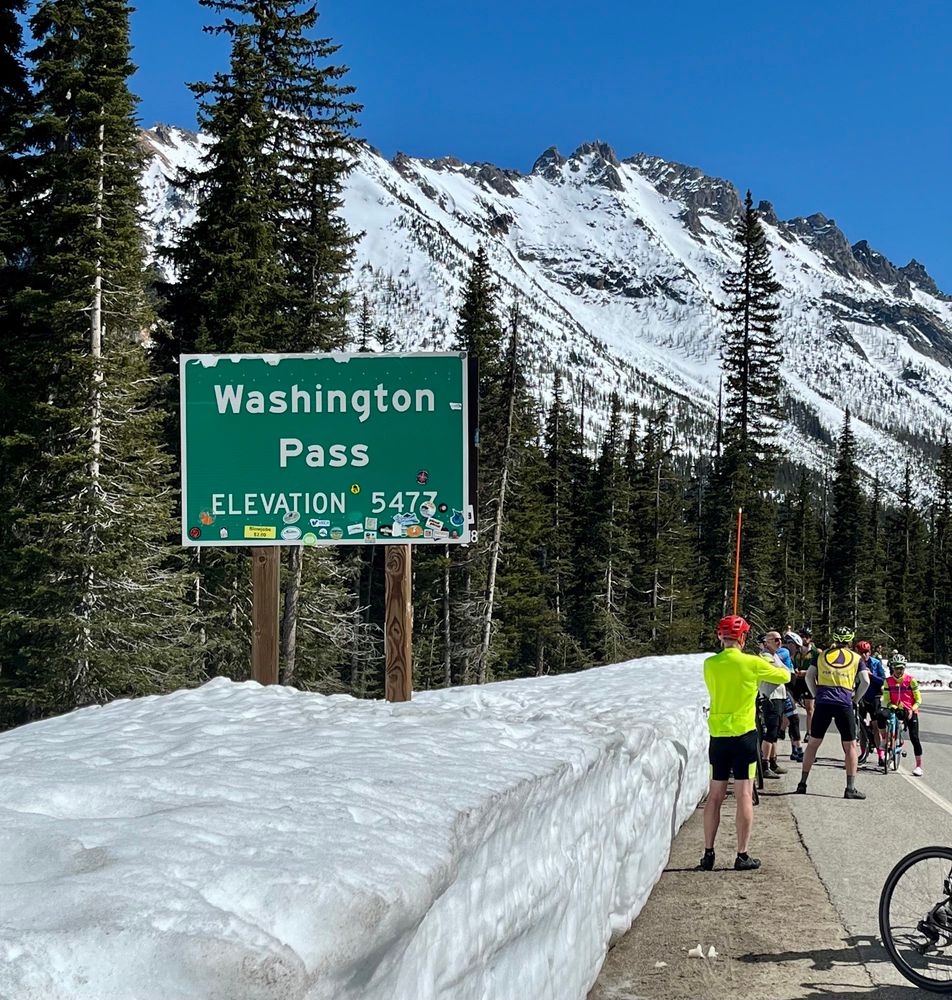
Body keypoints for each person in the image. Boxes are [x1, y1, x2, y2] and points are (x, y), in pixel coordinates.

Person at [699, 614, 790, 872]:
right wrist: (773, 656)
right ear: (743, 637)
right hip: (744, 735)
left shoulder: (710, 664)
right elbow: (784, 676)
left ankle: (708, 853)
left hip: (718, 735)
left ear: (720, 636)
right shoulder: (752, 662)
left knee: (715, 795)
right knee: (744, 795)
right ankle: (742, 855)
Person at [796, 626, 870, 800]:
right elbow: (865, 681)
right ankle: (850, 788)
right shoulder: (857, 658)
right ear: (850, 641)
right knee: (850, 746)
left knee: (813, 743)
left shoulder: (820, 655)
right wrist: (856, 699)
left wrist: (816, 694)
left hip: (823, 701)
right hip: (844, 702)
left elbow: (809, 677)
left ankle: (802, 783)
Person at [879, 653, 924, 776]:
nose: (899, 671)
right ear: (892, 668)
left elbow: (918, 699)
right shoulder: (888, 681)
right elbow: (886, 700)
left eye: (901, 668)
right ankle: (884, 739)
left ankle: (919, 766)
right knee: (880, 715)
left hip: (909, 710)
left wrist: (912, 708)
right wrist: (893, 706)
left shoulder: (911, 681)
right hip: (895, 708)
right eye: (896, 668)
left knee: (914, 737)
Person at [758, 632, 791, 778]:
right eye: (775, 640)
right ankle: (764, 764)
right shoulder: (765, 657)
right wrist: (783, 670)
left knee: (776, 730)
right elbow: (781, 674)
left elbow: (787, 671)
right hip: (771, 697)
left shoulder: (775, 655)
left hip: (779, 696)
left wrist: (783, 670)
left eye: (780, 639)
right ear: (767, 642)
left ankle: (773, 761)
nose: (779, 642)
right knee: (770, 731)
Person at [855, 640, 887, 763]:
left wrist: (871, 675)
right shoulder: (855, 662)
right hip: (861, 696)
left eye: (867, 652)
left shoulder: (875, 663)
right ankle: (863, 753)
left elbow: (883, 681)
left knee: (876, 726)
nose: (864, 655)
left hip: (874, 696)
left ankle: (881, 755)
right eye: (862, 652)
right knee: (861, 726)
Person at [779, 631, 805, 762]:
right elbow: (771, 659)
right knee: (794, 718)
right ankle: (798, 751)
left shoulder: (788, 654)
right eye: (797, 647)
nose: (798, 650)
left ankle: (796, 750)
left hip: (788, 690)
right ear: (791, 645)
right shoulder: (785, 652)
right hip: (784, 690)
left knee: (792, 719)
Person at [791, 627, 820, 739]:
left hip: (809, 680)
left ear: (810, 638)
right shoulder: (796, 650)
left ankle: (810, 732)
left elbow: (818, 668)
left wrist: (806, 672)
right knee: (790, 705)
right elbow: (792, 662)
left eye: (806, 637)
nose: (804, 639)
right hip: (797, 680)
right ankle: (786, 729)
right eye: (802, 636)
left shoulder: (816, 652)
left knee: (810, 708)